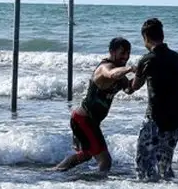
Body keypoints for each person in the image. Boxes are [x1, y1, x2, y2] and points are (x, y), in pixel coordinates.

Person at [127, 18, 178, 181]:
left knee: (144, 162)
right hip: (176, 119)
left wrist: (123, 77)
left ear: (146, 37)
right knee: (164, 164)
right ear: (162, 35)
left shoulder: (147, 60)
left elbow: (134, 87)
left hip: (155, 119)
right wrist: (175, 84)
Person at [53, 37, 134, 172]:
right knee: (105, 160)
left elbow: (130, 89)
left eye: (128, 53)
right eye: (122, 53)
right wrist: (130, 68)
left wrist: (143, 74)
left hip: (87, 120)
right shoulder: (105, 67)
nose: (125, 57)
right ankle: (101, 186)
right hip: (83, 119)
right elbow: (111, 74)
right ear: (112, 52)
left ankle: (56, 171)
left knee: (85, 155)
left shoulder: (120, 74)